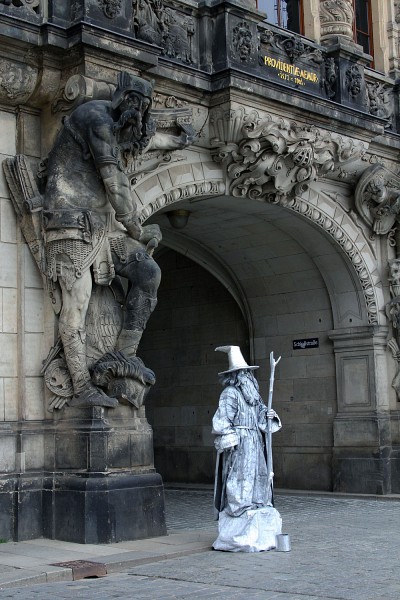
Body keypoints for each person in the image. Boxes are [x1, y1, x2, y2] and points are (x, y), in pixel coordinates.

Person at [43, 71, 191, 407]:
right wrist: (137, 229)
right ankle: (82, 387)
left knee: (148, 273)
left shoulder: (119, 124)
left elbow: (137, 142)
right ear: (119, 99)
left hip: (103, 226)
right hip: (70, 223)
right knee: (76, 303)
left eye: (143, 105)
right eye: (132, 101)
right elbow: (114, 182)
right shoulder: (95, 118)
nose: (137, 109)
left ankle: (125, 355)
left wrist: (176, 142)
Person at [212, 345, 282, 552]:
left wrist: (268, 415)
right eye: (242, 373)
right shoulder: (230, 394)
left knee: (259, 473)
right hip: (240, 443)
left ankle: (258, 500)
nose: (247, 376)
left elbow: (261, 414)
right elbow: (222, 421)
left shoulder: (254, 396)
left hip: (255, 441)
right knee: (240, 476)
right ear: (234, 376)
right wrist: (232, 442)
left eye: (248, 373)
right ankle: (240, 506)